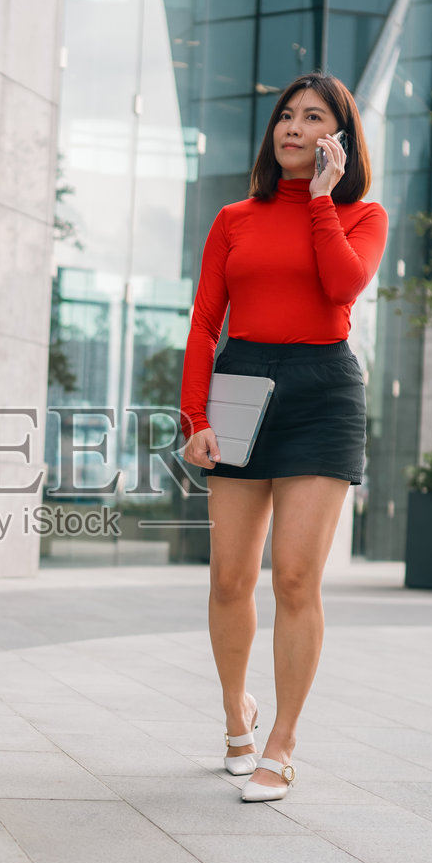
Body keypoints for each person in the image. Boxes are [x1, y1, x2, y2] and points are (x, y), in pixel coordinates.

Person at [178, 72, 388, 802]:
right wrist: (195, 419)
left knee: (295, 576)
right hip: (239, 388)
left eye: (313, 118)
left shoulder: (363, 214)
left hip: (322, 393)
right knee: (230, 577)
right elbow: (205, 323)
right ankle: (237, 715)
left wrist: (325, 200)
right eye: (286, 117)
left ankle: (282, 741)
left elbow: (340, 287)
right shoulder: (234, 217)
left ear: (339, 137)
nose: (293, 128)